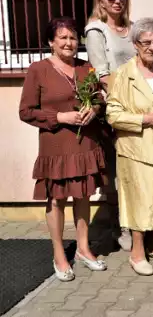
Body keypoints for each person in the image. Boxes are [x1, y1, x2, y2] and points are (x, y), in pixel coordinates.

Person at [19, 17, 108, 282]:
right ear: (51, 42)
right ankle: (59, 252)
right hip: (56, 145)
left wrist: (93, 109)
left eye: (73, 37)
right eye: (63, 38)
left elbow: (99, 99)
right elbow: (26, 111)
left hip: (85, 143)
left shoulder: (85, 68)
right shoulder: (38, 69)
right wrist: (60, 117)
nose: (69, 43)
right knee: (57, 198)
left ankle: (83, 248)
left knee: (83, 195)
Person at [106, 18, 153, 276]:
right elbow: (113, 114)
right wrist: (146, 119)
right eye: (146, 42)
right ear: (135, 44)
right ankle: (138, 252)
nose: (152, 47)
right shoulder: (123, 74)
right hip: (136, 148)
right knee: (139, 200)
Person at [85, 0, 136, 252]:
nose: (117, 1)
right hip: (116, 107)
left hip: (140, 107)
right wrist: (134, 93)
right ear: (101, 1)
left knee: (137, 166)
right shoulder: (97, 30)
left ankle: (140, 221)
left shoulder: (133, 28)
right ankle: (121, 225)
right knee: (118, 171)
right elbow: (102, 74)